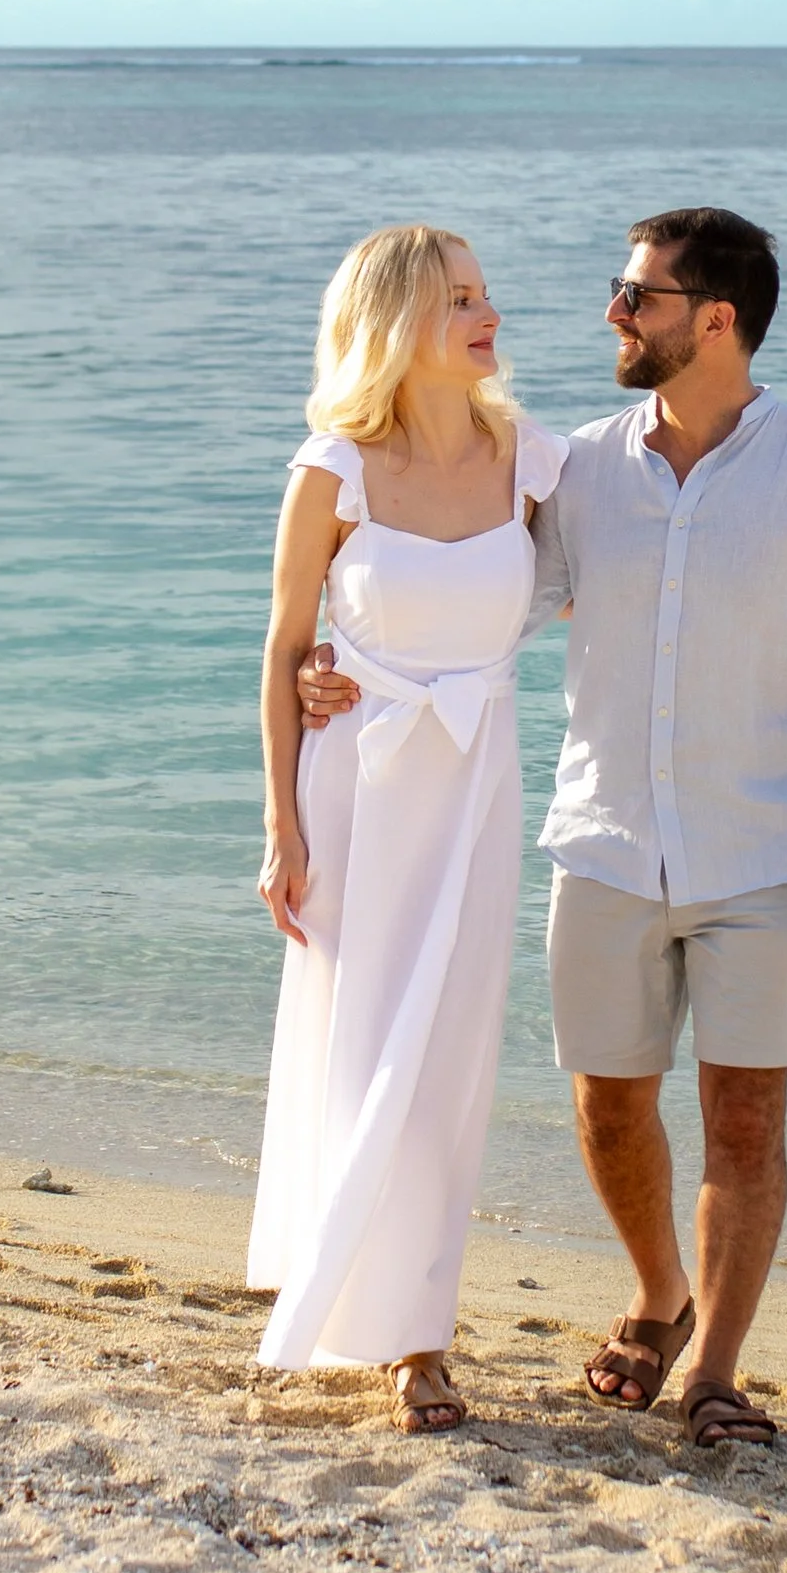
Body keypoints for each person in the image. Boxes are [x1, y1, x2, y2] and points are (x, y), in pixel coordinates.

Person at [301, 204, 787, 1450]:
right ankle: (660, 1291)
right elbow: (488, 608)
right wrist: (340, 668)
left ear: (714, 321)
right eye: (618, 289)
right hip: (600, 843)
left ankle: (716, 1374)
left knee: (746, 1117)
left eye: (636, 296)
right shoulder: (577, 466)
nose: (610, 313)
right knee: (605, 1105)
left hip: (766, 852)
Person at [248, 225, 567, 1433]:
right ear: (395, 325)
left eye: (486, 296)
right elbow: (284, 653)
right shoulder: (333, 467)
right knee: (361, 1047)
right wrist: (281, 824)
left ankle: (416, 1334)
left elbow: (602, 586)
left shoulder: (532, 462)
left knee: (447, 1064)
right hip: (355, 787)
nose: (489, 317)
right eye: (458, 303)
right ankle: (376, 1324)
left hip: (474, 788)